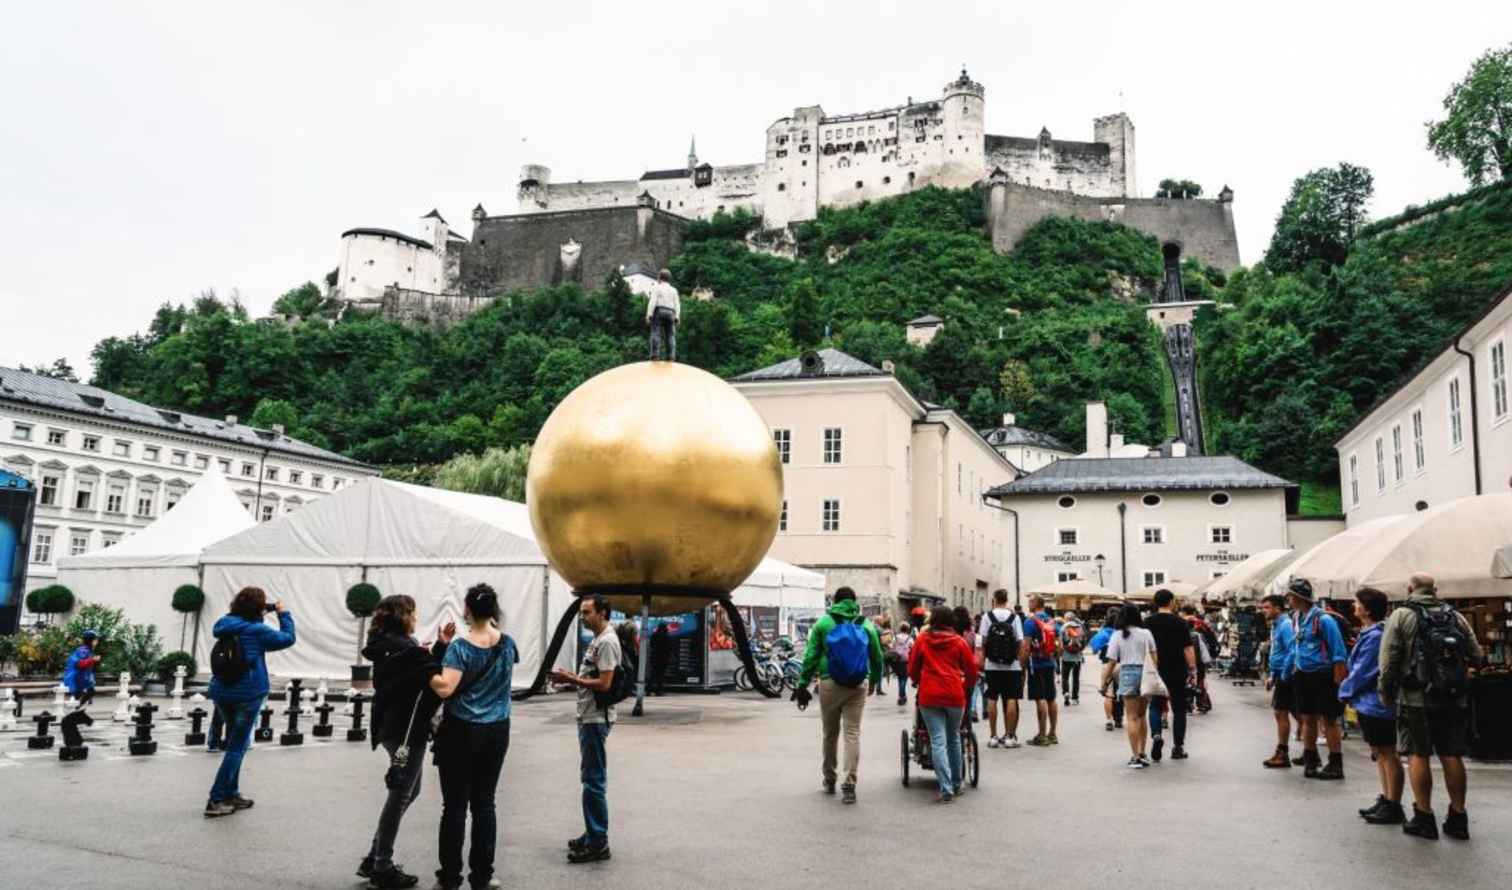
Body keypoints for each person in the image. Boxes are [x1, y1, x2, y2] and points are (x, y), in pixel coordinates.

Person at [1379, 572, 1483, 841]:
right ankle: (1458, 817)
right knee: (1451, 754)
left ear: (1410, 588)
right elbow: (1477, 654)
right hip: (1452, 697)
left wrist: (1386, 691)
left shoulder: (1401, 616)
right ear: (1434, 589)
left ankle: (1424, 816)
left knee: (1418, 754)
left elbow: (1388, 660)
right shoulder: (1455, 616)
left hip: (1416, 698)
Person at [428, 584, 516, 889]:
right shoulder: (508, 644)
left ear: (467, 609)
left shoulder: (460, 647)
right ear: (493, 610)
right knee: (485, 804)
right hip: (497, 730)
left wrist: (426, 666)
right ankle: (482, 876)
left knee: (454, 806)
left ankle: (450, 876)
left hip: (462, 730)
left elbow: (446, 688)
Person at [357, 595, 444, 890]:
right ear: (405, 615)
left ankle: (374, 855)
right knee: (401, 795)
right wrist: (441, 650)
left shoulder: (383, 645)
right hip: (408, 730)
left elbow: (413, 669)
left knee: (408, 789)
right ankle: (381, 864)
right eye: (414, 612)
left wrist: (430, 650)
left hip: (387, 726)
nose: (417, 617)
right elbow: (429, 677)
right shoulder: (407, 648)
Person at [205, 587, 296, 818]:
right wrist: (283, 614)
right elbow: (287, 638)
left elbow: (242, 618)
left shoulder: (224, 623)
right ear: (257, 608)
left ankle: (231, 793)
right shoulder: (257, 630)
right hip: (248, 693)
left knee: (238, 743)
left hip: (222, 691)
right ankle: (215, 799)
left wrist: (261, 610)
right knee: (236, 746)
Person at [794, 586, 884, 804]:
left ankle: (829, 778)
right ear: (854, 601)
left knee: (830, 733)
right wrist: (873, 681)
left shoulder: (824, 623)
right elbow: (877, 656)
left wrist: (802, 684)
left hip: (829, 683)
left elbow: (811, 656)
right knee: (852, 733)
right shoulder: (865, 624)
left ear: (835, 601)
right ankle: (850, 783)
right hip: (858, 684)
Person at [550, 594, 621, 862]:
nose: (583, 617)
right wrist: (572, 679)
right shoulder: (597, 640)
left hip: (596, 718)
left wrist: (571, 678)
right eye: (582, 612)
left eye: (588, 612)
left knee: (593, 781)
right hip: (588, 716)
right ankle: (592, 832)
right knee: (590, 777)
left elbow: (605, 684)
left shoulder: (607, 642)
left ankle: (598, 841)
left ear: (603, 613)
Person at [1339, 587, 1404, 826]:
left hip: (1377, 702)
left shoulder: (1376, 636)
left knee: (1387, 753)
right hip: (1370, 703)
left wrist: (1344, 691)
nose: (1353, 607)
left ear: (1367, 608)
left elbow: (1363, 671)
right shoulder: (1372, 633)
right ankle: (1387, 799)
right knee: (1380, 752)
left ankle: (1393, 803)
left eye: (1357, 603)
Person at [909, 605, 980, 803]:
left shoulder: (923, 639)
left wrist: (917, 680)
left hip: (930, 695)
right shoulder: (958, 642)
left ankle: (945, 786)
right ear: (951, 622)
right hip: (954, 695)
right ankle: (957, 784)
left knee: (937, 741)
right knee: (954, 739)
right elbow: (971, 671)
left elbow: (913, 667)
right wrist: (966, 686)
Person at [1287, 579, 1348, 780]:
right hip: (1303, 674)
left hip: (1324, 676)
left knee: (1330, 719)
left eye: (1290, 596)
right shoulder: (1296, 617)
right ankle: (1311, 758)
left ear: (1298, 598)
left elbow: (1339, 652)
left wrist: (1339, 681)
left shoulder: (1324, 620)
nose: (1288, 599)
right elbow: (1295, 646)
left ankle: (1335, 763)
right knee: (1307, 718)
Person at [1100, 603, 1156, 769]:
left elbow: (1111, 662)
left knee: (1131, 717)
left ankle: (1135, 756)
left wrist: (1104, 682)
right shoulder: (1146, 633)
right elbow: (1154, 657)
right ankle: (1143, 752)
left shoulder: (1118, 635)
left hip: (1127, 672)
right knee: (1142, 715)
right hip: (1145, 672)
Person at [1144, 590, 1197, 762]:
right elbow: (1187, 648)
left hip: (1156, 669)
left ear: (1155, 601)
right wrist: (1193, 670)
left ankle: (1157, 735)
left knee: (1156, 706)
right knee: (1179, 708)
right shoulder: (1181, 622)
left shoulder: (1147, 622)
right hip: (1177, 669)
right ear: (1172, 602)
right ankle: (1178, 747)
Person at [977, 589, 1026, 748]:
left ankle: (993, 736)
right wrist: (1017, 659)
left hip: (992, 665)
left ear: (994, 599)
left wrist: (983, 661)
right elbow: (1020, 641)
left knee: (992, 698)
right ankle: (1010, 737)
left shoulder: (987, 616)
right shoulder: (1015, 617)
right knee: (1011, 698)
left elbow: (983, 641)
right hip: (1012, 666)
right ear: (1007, 600)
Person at [1260, 593, 1298, 768]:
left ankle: (1283, 753)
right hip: (1282, 673)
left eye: (1267, 607)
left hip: (1287, 675)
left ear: (1278, 608)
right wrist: (1273, 675)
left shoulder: (1285, 625)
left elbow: (1292, 650)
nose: (1264, 611)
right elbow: (1277, 651)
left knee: (1280, 712)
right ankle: (1309, 752)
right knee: (1297, 713)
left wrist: (1282, 674)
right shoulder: (1276, 625)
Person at [1021, 595, 1059, 746]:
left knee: (1040, 698)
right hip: (1050, 663)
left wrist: (1022, 665)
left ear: (1034, 604)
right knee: (1051, 698)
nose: (1028, 604)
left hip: (1036, 664)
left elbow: (1026, 646)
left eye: (1030, 601)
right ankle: (1053, 733)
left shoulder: (1030, 622)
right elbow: (1059, 647)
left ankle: (1042, 735)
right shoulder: (1051, 621)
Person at [646, 268, 680, 361]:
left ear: (660, 278)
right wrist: (677, 316)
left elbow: (653, 301)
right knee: (670, 335)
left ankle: (655, 355)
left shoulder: (657, 287)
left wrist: (649, 315)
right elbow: (677, 304)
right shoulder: (674, 290)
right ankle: (671, 356)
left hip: (659, 311)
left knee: (656, 333)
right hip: (671, 312)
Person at [953, 606, 980, 719]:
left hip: (953, 668)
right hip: (966, 669)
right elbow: (975, 652)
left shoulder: (951, 632)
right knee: (968, 694)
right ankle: (966, 718)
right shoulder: (972, 634)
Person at [62, 629, 102, 707]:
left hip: (82, 678)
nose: (97, 642)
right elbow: (79, 664)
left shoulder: (87, 650)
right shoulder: (83, 651)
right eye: (95, 640)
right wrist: (93, 660)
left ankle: (78, 709)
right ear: (90, 640)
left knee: (87, 694)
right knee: (83, 695)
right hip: (77, 678)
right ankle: (77, 711)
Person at [1059, 611, 1086, 706]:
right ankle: (1075, 698)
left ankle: (1066, 692)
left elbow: (1061, 645)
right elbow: (1084, 642)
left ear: (1066, 618)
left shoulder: (1063, 628)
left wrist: (1060, 654)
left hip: (1066, 657)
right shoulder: (1080, 627)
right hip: (1077, 657)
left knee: (1065, 677)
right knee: (1076, 678)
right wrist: (1080, 651)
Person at [889, 622, 914, 706]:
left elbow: (892, 646)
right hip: (906, 660)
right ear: (907, 629)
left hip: (897, 659)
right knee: (904, 679)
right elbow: (913, 647)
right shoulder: (909, 638)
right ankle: (902, 696)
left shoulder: (896, 637)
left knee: (900, 678)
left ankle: (901, 696)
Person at [873, 613, 895, 696]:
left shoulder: (871, 627)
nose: (882, 621)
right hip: (879, 651)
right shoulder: (879, 629)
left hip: (871, 651)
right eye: (881, 620)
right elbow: (885, 641)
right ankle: (878, 689)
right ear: (878, 621)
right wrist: (890, 645)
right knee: (880, 670)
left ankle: (874, 687)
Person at [648, 623, 671, 696]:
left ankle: (649, 690)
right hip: (663, 657)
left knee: (653, 674)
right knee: (661, 674)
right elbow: (669, 648)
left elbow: (651, 644)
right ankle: (659, 690)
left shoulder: (654, 635)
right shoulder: (667, 636)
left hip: (655, 656)